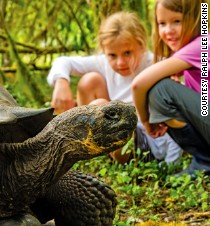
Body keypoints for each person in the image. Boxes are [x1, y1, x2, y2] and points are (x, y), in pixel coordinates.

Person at [47, 11, 183, 165]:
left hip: (146, 145)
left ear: (141, 45)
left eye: (127, 53)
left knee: (105, 110)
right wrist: (61, 81)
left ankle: (118, 158)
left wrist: (172, 164)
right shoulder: (104, 63)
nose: (120, 62)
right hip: (115, 137)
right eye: (112, 55)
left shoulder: (157, 65)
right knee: (89, 81)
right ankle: (90, 149)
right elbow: (63, 61)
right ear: (105, 52)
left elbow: (179, 110)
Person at [132, 0, 210, 176]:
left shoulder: (201, 46)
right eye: (162, 23)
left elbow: (139, 84)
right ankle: (204, 161)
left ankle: (205, 162)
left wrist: (146, 121)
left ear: (196, 19)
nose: (168, 30)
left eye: (177, 21)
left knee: (160, 90)